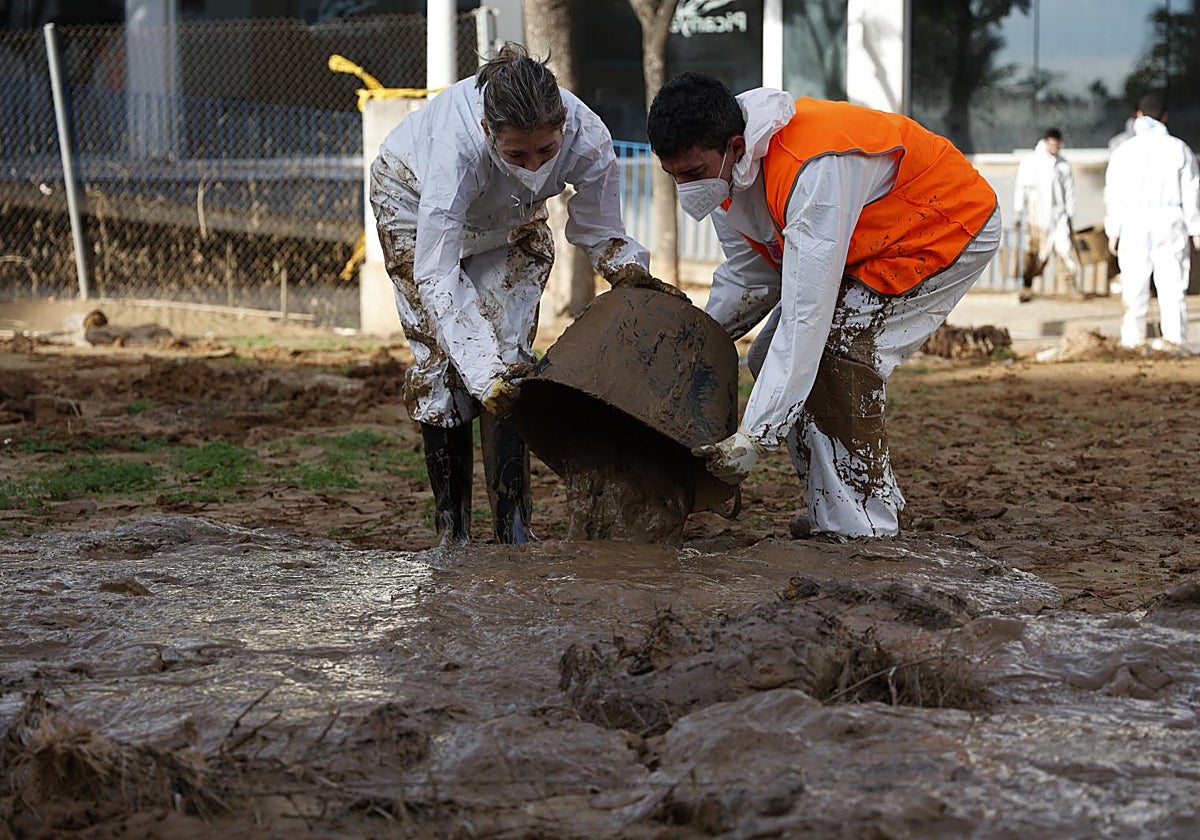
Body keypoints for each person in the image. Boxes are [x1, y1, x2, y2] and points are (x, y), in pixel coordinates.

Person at [646, 72, 1000, 540]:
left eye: (692, 173)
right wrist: (690, 341)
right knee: (767, 355)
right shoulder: (729, 175)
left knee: (839, 357)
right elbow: (752, 277)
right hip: (874, 242)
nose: (685, 188)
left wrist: (754, 436)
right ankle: (834, 509)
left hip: (945, 223)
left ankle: (865, 527)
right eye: (673, 175)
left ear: (735, 146)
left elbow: (805, 317)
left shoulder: (811, 168)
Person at [370, 42, 682, 547]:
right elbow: (437, 273)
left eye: (546, 152)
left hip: (513, 219)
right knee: (442, 367)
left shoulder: (588, 137)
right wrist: (480, 371)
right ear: (486, 130)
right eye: (517, 154)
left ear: (563, 123)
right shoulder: (455, 149)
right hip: (412, 202)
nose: (535, 166)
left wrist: (627, 271)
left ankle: (514, 528)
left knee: (511, 362)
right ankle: (453, 531)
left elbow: (601, 226)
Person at [1103, 93, 1200, 349]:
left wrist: (1113, 229)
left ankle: (1132, 343)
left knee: (1134, 287)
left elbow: (1113, 193)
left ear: (1138, 114)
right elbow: (1192, 191)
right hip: (1170, 222)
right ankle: (1175, 342)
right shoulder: (1179, 149)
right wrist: (1195, 228)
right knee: (1172, 286)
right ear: (1164, 117)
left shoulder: (1124, 151)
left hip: (1133, 222)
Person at [1012, 127, 1078, 302]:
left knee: (1065, 250)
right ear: (1046, 142)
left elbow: (1069, 191)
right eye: (1052, 144)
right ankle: (1026, 287)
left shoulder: (1063, 165)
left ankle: (1072, 288)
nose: (1055, 148)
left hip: (1059, 216)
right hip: (1037, 218)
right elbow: (1021, 188)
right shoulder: (1031, 162)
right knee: (1036, 254)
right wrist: (1018, 212)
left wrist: (1070, 214)